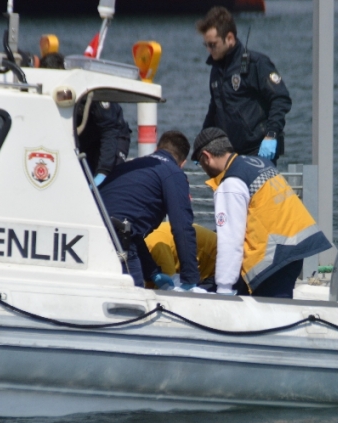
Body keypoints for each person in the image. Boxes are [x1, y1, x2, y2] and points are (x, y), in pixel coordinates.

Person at [192, 127, 333, 298]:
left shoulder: (231, 183)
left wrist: (224, 288)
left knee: (273, 316)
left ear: (206, 156)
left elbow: (231, 240)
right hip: (295, 246)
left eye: (199, 163)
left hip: (272, 256)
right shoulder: (258, 163)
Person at [99, 130, 200, 290]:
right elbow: (182, 227)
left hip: (95, 229)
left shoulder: (132, 165)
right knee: (133, 298)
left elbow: (132, 227)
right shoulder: (173, 172)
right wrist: (190, 278)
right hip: (119, 236)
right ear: (182, 163)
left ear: (156, 149)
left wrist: (153, 272)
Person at [196, 6, 291, 162]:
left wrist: (271, 135)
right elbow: (215, 109)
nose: (208, 50)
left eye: (213, 44)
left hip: (258, 151)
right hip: (228, 155)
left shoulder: (256, 64)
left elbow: (281, 99)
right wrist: (203, 142)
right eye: (206, 45)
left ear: (230, 39)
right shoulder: (216, 70)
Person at [41, 52, 130, 184]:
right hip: (83, 140)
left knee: (109, 182)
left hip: (113, 134)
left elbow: (109, 132)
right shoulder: (44, 93)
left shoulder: (87, 92)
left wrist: (103, 171)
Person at [145, 222, 217, 286]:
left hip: (216, 258)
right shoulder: (145, 244)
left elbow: (169, 285)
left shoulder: (156, 248)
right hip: (197, 256)